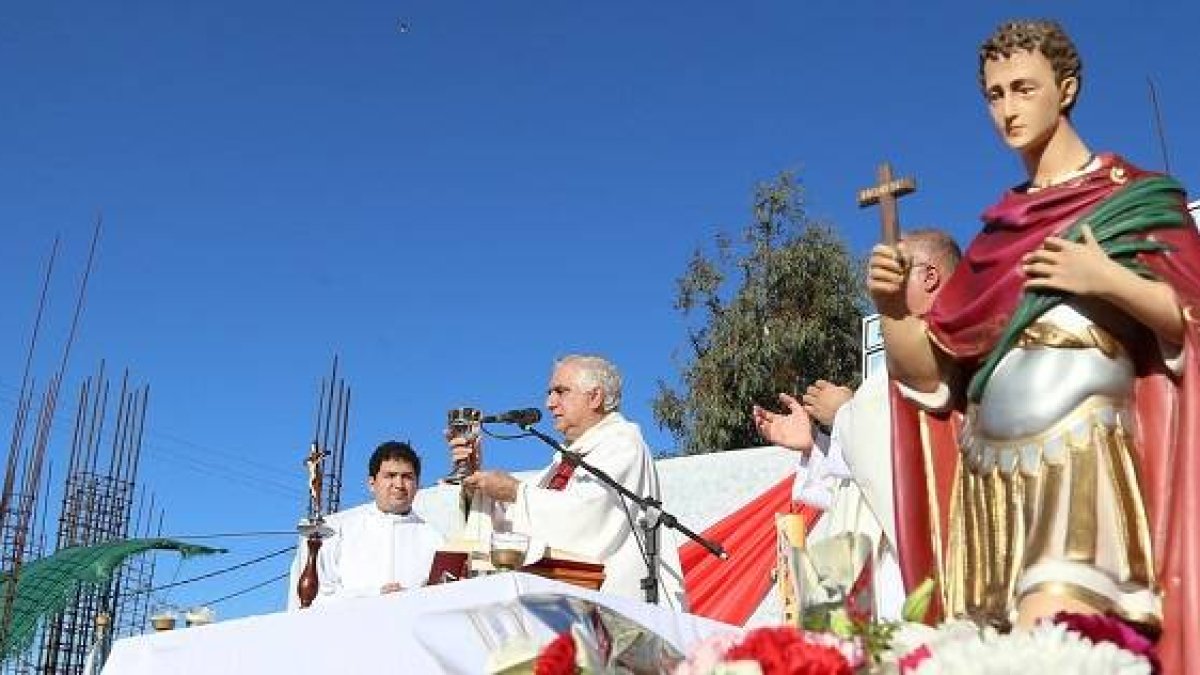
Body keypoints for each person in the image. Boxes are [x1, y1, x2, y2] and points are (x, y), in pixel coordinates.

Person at [868, 19, 1200, 670]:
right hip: (989, 482)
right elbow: (932, 382)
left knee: (1060, 638)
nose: (1007, 110)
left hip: (1082, 459)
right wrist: (891, 312)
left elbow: (1190, 315)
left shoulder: (1135, 200)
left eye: (1024, 89)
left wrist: (1106, 279)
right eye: (994, 94)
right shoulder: (996, 238)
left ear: (1066, 88)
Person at [754, 229, 960, 620]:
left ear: (929, 276)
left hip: (924, 570)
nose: (877, 284)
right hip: (880, 573)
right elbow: (870, 481)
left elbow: (924, 458)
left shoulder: (950, 345)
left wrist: (844, 414)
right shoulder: (887, 372)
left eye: (892, 270)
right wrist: (814, 444)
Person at [452, 354, 688, 610]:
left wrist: (515, 492)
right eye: (550, 393)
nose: (549, 403)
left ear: (595, 397)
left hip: (612, 606)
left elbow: (587, 517)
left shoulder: (622, 445)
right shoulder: (564, 459)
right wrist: (475, 480)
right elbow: (517, 525)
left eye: (560, 392)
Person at [288, 441, 445, 608]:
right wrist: (373, 596)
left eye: (407, 477)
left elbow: (442, 597)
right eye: (390, 476)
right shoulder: (340, 532)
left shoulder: (434, 539)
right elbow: (319, 597)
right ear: (372, 483)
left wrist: (411, 598)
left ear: (417, 484)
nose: (399, 484)